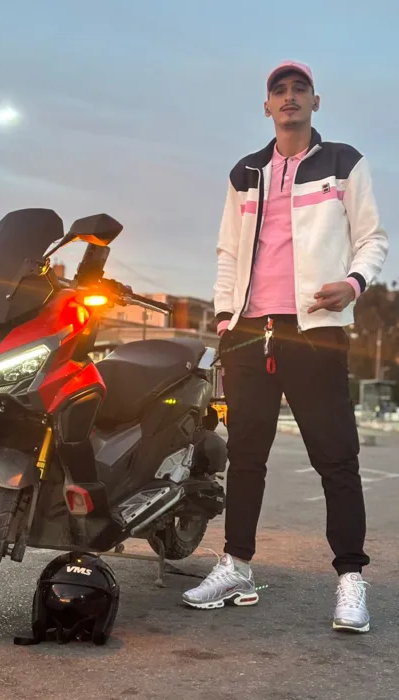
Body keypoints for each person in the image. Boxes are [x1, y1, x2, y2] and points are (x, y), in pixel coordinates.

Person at [183, 60, 389, 633]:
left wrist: (352, 284)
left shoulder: (343, 163)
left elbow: (372, 238)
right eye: (280, 91)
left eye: (300, 89)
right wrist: (226, 318)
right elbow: (228, 251)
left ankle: (350, 578)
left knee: (336, 457)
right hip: (251, 331)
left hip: (315, 330)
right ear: (267, 106)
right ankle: (237, 566)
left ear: (315, 102)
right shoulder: (245, 173)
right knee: (247, 456)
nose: (290, 97)